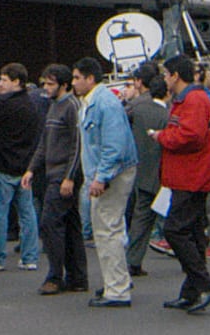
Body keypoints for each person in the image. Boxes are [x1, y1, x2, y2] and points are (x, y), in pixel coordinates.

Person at [154, 54, 210, 314]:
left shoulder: (192, 99)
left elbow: (191, 136)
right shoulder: (191, 98)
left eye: (166, 74)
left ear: (175, 76)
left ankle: (206, 284)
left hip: (192, 176)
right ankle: (192, 292)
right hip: (192, 174)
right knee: (192, 232)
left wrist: (162, 136)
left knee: (175, 230)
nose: (164, 80)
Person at [21, 63, 83, 296]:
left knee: (50, 223)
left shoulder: (72, 107)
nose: (45, 88)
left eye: (50, 84)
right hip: (52, 172)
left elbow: (78, 144)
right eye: (44, 83)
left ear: (63, 85)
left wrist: (70, 177)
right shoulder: (53, 106)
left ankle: (55, 276)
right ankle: (77, 276)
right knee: (69, 225)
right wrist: (31, 169)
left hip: (63, 175)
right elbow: (44, 142)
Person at [81, 59, 138, 308]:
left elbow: (113, 145)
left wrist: (101, 177)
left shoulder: (103, 103)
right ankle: (117, 280)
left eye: (76, 77)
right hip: (111, 171)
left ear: (89, 78)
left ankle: (117, 290)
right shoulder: (98, 101)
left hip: (112, 173)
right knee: (108, 229)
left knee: (107, 230)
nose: (73, 82)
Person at [0, 61, 42, 273]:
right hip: (25, 166)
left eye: (5, 79)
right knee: (27, 213)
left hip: (3, 163)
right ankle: (30, 256)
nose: (1, 83)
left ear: (16, 81)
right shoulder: (33, 103)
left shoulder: (1, 103)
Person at [123, 61, 169, 275]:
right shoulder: (169, 110)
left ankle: (133, 260)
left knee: (141, 216)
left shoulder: (134, 107)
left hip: (141, 169)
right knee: (179, 217)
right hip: (166, 170)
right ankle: (192, 254)